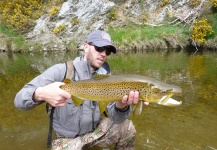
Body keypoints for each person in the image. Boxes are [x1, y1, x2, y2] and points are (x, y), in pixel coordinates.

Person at [14, 30, 149, 150]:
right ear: (86, 47)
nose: (103, 54)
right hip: (66, 141)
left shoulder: (108, 78)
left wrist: (122, 106)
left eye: (107, 51)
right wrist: (40, 94)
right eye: (99, 48)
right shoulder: (61, 71)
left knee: (127, 127)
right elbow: (19, 100)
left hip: (94, 133)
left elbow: (116, 119)